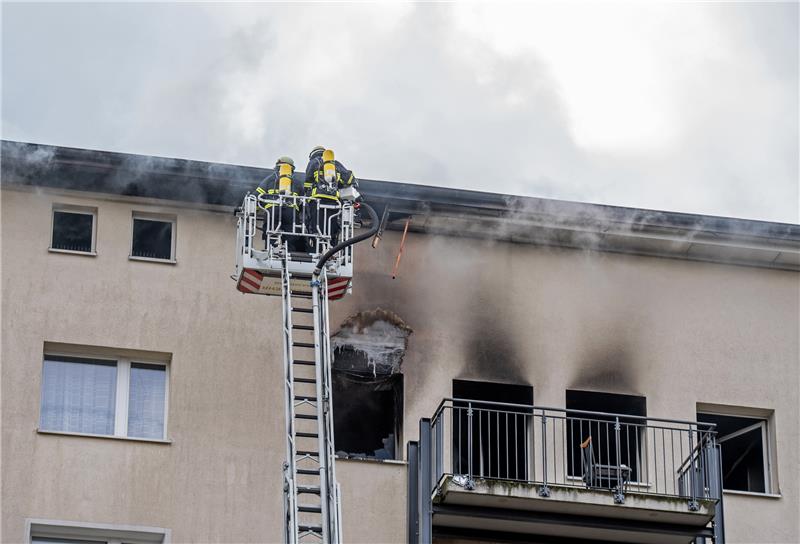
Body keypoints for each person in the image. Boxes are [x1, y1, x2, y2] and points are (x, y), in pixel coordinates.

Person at [304, 146, 357, 249]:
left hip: (317, 200)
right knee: (332, 226)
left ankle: (318, 249)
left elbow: (307, 183)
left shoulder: (313, 163)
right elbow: (349, 179)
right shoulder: (335, 164)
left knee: (316, 226)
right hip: (334, 201)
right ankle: (331, 249)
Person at [255, 156, 303, 252]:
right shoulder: (297, 182)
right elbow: (303, 202)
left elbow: (257, 196)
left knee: (271, 234)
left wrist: (253, 211)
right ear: (292, 168)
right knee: (291, 236)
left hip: (273, 211)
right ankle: (290, 253)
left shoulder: (269, 179)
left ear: (277, 166)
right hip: (291, 213)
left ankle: (271, 250)